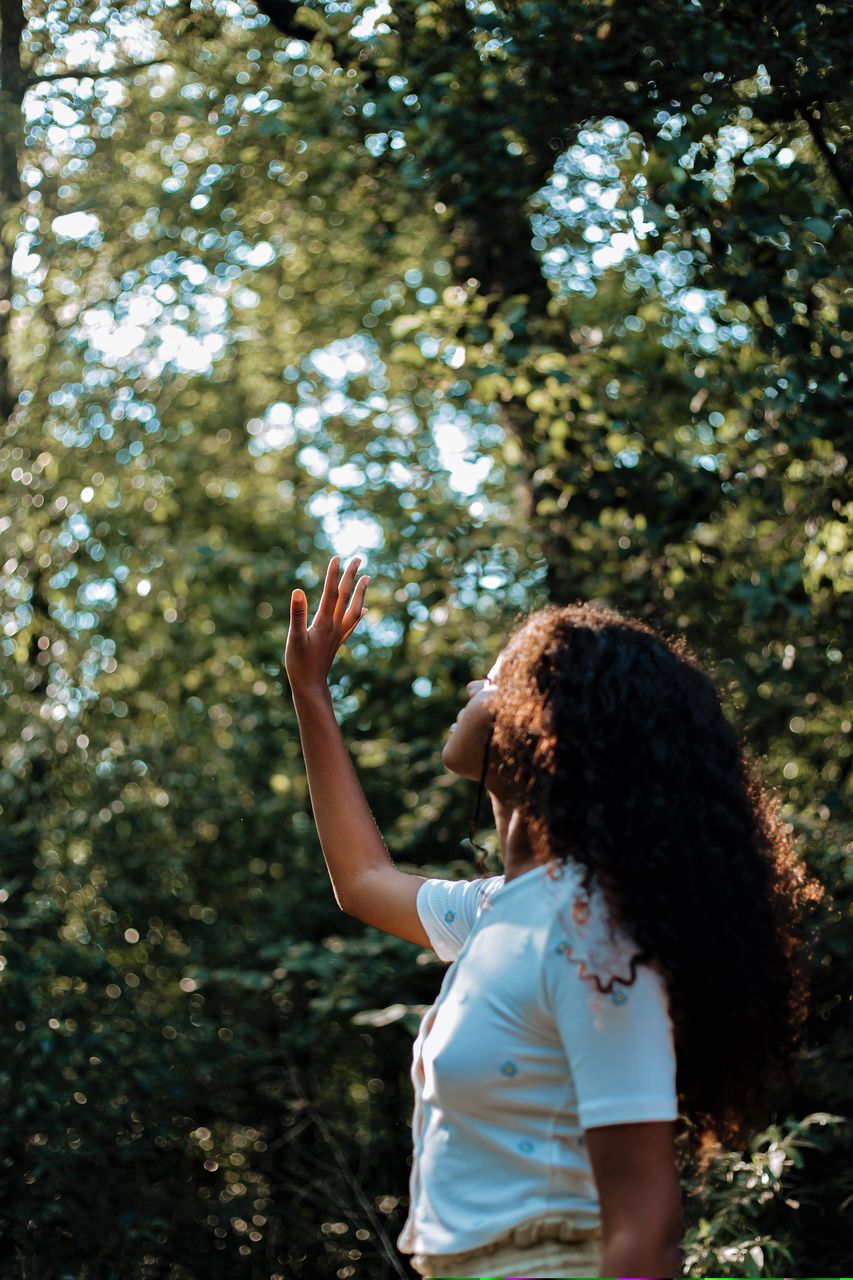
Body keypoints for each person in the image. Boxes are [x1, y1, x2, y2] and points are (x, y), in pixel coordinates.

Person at [285, 554, 823, 1280]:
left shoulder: (589, 933)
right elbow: (361, 881)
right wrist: (310, 690)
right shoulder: (502, 911)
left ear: (546, 726)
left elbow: (647, 1229)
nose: (473, 689)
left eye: (495, 679)